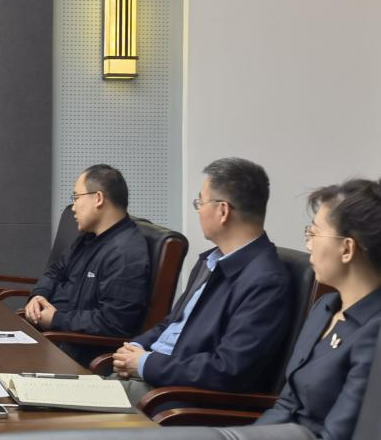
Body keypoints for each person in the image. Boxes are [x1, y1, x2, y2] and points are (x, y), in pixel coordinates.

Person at [110, 157, 292, 404]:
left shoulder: (266, 281)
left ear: (222, 211)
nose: (198, 210)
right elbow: (170, 325)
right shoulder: (210, 261)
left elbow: (228, 369)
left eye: (200, 202)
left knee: (65, 412)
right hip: (151, 378)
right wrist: (132, 350)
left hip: (172, 397)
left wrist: (145, 363)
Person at [254, 174, 381, 440]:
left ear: (347, 249)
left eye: (314, 233)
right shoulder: (325, 307)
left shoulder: (380, 333)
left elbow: (335, 436)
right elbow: (286, 405)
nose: (309, 244)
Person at [23, 165, 151, 366]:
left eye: (76, 197)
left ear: (98, 198)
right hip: (53, 337)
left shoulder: (126, 253)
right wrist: (39, 296)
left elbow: (113, 322)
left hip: (75, 353)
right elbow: (56, 270)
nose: (73, 207)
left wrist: (55, 319)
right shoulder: (89, 237)